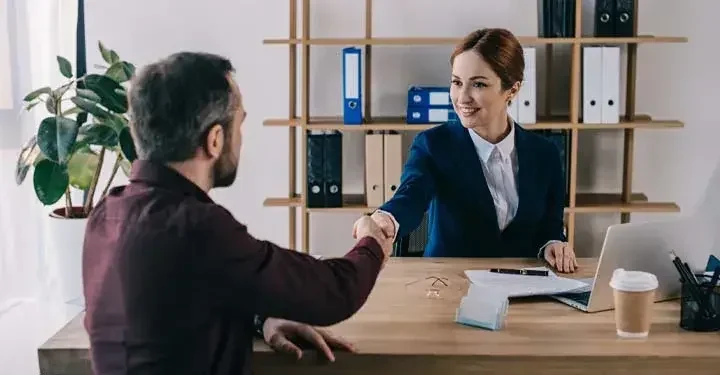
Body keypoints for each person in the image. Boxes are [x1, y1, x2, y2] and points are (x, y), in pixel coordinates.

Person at [82, 52, 394, 375]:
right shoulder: (198, 229)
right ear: (215, 140)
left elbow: (177, 307)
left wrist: (262, 317)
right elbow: (334, 292)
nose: (241, 138)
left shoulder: (105, 217)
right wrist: (372, 241)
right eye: (239, 124)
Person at [353, 28, 578, 273]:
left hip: (522, 289)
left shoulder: (545, 154)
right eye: (457, 83)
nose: (462, 97)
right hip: (449, 286)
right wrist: (384, 220)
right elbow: (411, 195)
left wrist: (553, 244)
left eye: (478, 84)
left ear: (512, 90)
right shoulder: (433, 145)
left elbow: (549, 227)